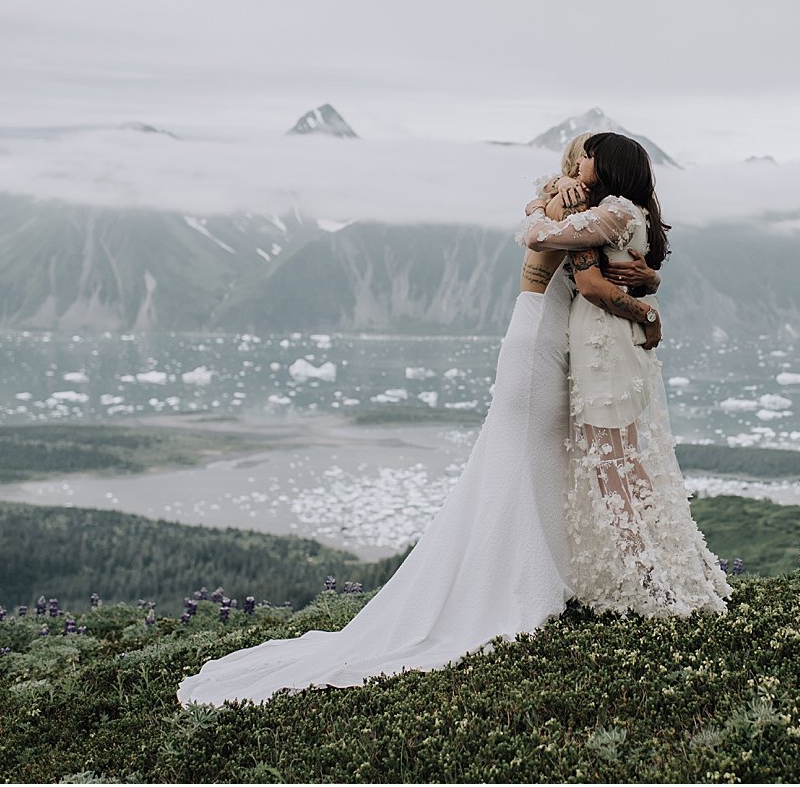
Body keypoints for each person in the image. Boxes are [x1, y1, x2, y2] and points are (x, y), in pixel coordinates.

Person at [177, 134, 656, 706]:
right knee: (521, 456)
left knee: (531, 457)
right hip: (538, 342)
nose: (585, 162)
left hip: (539, 334)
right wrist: (644, 306)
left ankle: (537, 572)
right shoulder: (571, 205)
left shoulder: (564, 201)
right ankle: (512, 584)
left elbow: (586, 248)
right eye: (582, 155)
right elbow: (583, 274)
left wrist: (643, 276)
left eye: (589, 156)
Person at [522, 132, 731, 617]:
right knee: (624, 467)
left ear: (610, 166)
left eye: (591, 156)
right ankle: (658, 574)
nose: (583, 161)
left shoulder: (615, 212)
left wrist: (541, 205)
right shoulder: (622, 212)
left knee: (612, 470)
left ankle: (651, 584)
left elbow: (542, 240)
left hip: (605, 348)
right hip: (609, 345)